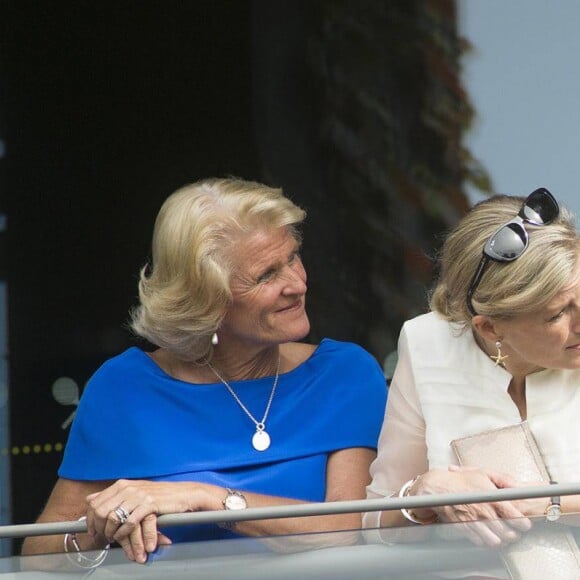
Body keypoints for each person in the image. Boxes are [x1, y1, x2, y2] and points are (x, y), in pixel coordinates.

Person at [23, 177, 387, 565]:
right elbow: (37, 556)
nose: (297, 284)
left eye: (293, 257)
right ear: (205, 300)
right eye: (266, 275)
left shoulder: (343, 375)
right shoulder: (124, 389)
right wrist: (98, 531)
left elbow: (345, 529)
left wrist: (209, 498)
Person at [364, 188, 580, 547]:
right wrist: (425, 493)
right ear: (490, 327)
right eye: (558, 313)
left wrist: (553, 503)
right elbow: (370, 524)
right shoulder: (426, 344)